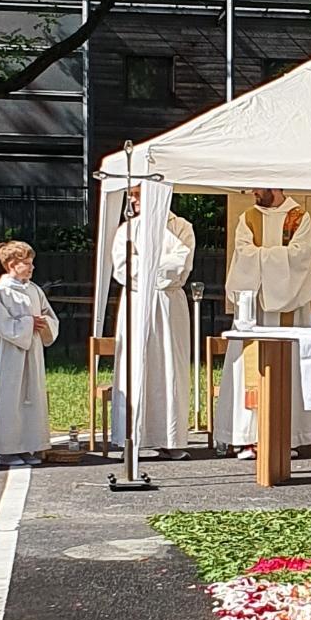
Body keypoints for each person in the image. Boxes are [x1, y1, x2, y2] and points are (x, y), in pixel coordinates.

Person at [217, 187, 311, 455]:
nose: (253, 192)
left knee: (289, 367)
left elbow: (300, 256)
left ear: (274, 186)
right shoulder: (248, 217)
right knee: (248, 368)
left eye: (258, 187)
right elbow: (242, 253)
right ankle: (249, 436)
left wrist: (261, 256)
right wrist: (270, 256)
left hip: (290, 308)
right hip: (255, 308)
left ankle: (288, 436)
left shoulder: (298, 218)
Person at [111, 185, 195, 457]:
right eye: (130, 195)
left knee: (170, 367)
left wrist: (146, 264)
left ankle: (170, 439)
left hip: (169, 304)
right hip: (137, 302)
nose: (132, 200)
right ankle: (132, 437)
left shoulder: (181, 227)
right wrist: (154, 266)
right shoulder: (126, 230)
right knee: (135, 365)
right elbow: (123, 267)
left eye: (136, 194)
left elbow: (180, 264)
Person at [0, 238, 58, 462]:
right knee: (10, 397)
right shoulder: (3, 291)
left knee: (31, 396)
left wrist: (44, 323)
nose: (32, 267)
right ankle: (7, 449)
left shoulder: (34, 289)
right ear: (11, 265)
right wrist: (27, 324)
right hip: (12, 352)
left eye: (31, 262)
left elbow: (49, 314)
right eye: (26, 262)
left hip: (32, 351)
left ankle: (29, 444)